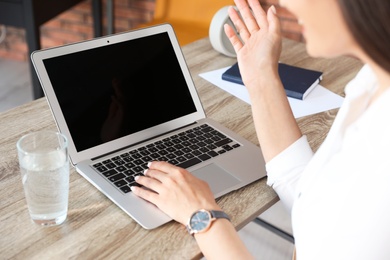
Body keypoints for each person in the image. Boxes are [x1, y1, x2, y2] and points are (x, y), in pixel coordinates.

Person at [130, 0, 390, 258]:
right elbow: (312, 201)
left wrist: (201, 216)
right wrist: (260, 75)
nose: (287, 3)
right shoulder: (370, 82)